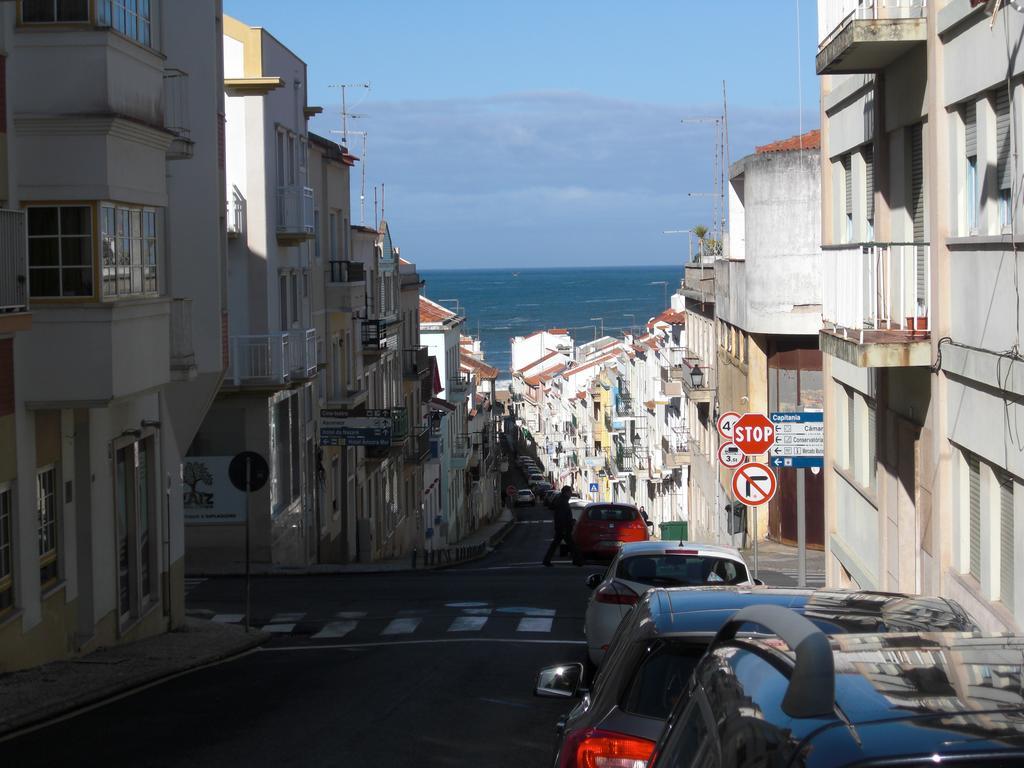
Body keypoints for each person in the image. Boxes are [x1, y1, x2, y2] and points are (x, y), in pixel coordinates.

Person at [543, 486, 583, 567]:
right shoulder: (563, 502)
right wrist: (566, 526)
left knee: (557, 544)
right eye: (570, 492)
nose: (571, 494)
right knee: (571, 544)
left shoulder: (562, 500)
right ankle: (577, 560)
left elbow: (562, 515)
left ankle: (547, 560)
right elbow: (562, 516)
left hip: (562, 527)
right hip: (563, 528)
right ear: (566, 492)